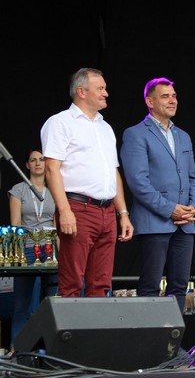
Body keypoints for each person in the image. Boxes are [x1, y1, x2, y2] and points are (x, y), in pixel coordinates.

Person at [41, 67, 133, 297]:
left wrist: (123, 213)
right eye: (100, 88)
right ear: (82, 91)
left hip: (107, 211)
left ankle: (97, 323)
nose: (106, 93)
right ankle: (69, 323)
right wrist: (64, 210)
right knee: (72, 282)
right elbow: (52, 169)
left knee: (101, 284)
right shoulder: (60, 122)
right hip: (78, 207)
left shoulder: (105, 127)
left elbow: (113, 172)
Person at [120, 77, 195, 311]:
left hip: (185, 223)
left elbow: (193, 178)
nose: (172, 100)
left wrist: (193, 208)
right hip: (154, 222)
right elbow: (138, 182)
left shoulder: (183, 136)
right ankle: (150, 335)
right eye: (165, 96)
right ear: (150, 101)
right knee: (150, 286)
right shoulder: (135, 134)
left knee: (180, 286)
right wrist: (170, 209)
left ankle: (174, 335)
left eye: (174, 96)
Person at [8, 148, 57, 350]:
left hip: (50, 249)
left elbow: (58, 224)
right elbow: (15, 224)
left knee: (53, 301)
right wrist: (16, 255)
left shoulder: (55, 189)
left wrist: (62, 254)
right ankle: (17, 348)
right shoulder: (18, 189)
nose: (38, 163)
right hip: (27, 249)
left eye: (42, 159)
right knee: (23, 302)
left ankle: (52, 348)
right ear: (27, 165)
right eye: (33, 160)